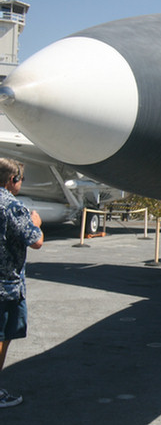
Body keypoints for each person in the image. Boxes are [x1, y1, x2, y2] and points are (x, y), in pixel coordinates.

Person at [0, 158, 43, 408]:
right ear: (11, 181)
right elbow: (35, 240)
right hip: (5, 286)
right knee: (2, 337)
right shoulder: (12, 206)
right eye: (20, 179)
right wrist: (35, 222)